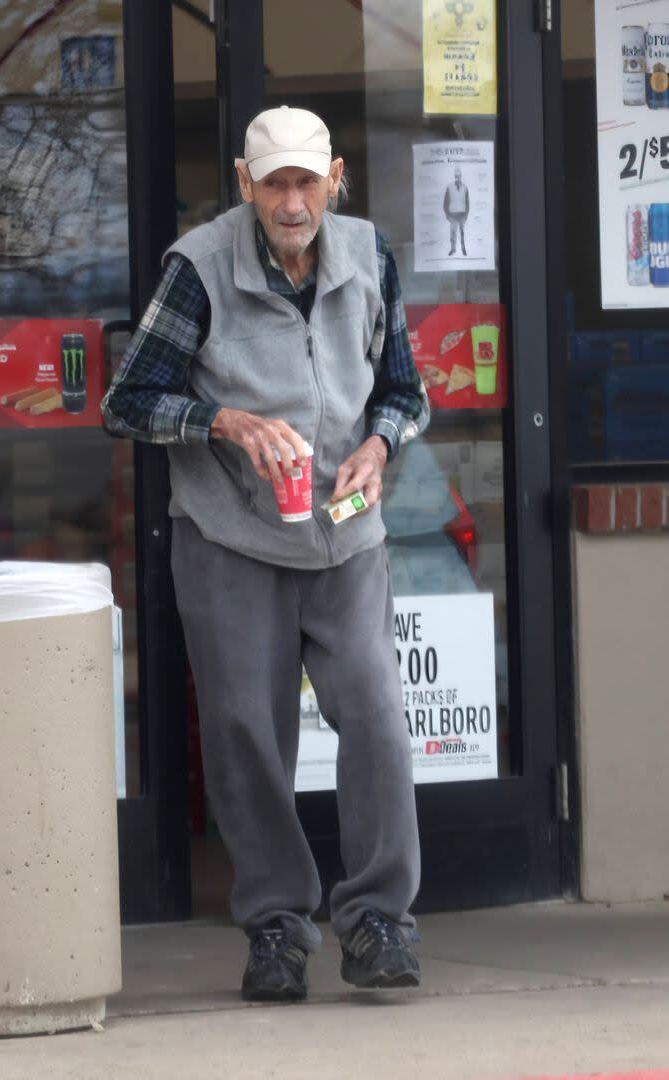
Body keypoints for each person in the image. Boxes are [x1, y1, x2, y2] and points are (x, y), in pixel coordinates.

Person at [102, 106, 430, 1002]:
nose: (293, 202)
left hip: (348, 532)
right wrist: (224, 420)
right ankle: (279, 929)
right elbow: (127, 400)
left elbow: (405, 390)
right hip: (234, 537)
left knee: (373, 713)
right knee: (248, 731)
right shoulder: (200, 268)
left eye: (307, 182)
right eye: (274, 183)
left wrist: (382, 445)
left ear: (335, 179)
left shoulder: (369, 256)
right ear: (245, 186)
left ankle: (378, 923)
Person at [444, 166, 470, 256]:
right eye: (456, 176)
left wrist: (466, 214)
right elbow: (445, 202)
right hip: (453, 215)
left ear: (461, 176)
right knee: (453, 233)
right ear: (454, 176)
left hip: (462, 214)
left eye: (459, 176)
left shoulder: (465, 188)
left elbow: (467, 202)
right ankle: (453, 249)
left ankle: (463, 249)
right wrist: (447, 215)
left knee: (462, 233)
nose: (457, 178)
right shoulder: (449, 187)